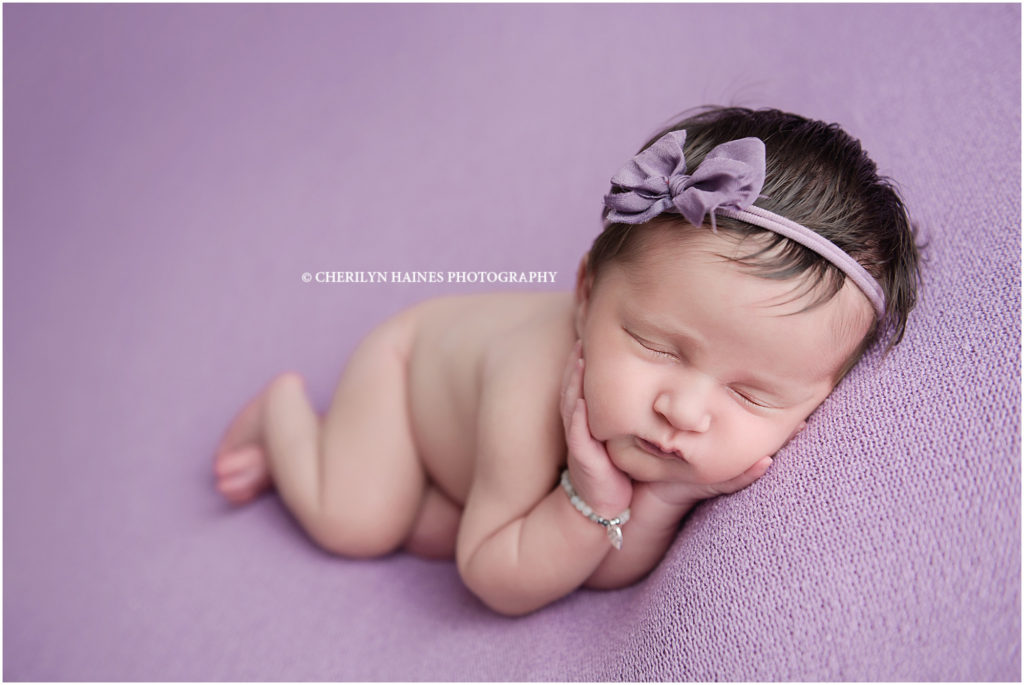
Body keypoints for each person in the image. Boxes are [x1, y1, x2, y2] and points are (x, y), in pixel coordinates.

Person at [213, 107, 921, 616]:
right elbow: (491, 577)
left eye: (752, 394)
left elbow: (602, 567)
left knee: (444, 528)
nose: (684, 408)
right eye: (655, 345)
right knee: (360, 520)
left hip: (479, 468)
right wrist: (593, 501)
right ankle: (283, 414)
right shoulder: (532, 385)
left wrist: (661, 499)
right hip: (405, 377)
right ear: (585, 294)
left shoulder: (668, 422)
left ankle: (444, 490)